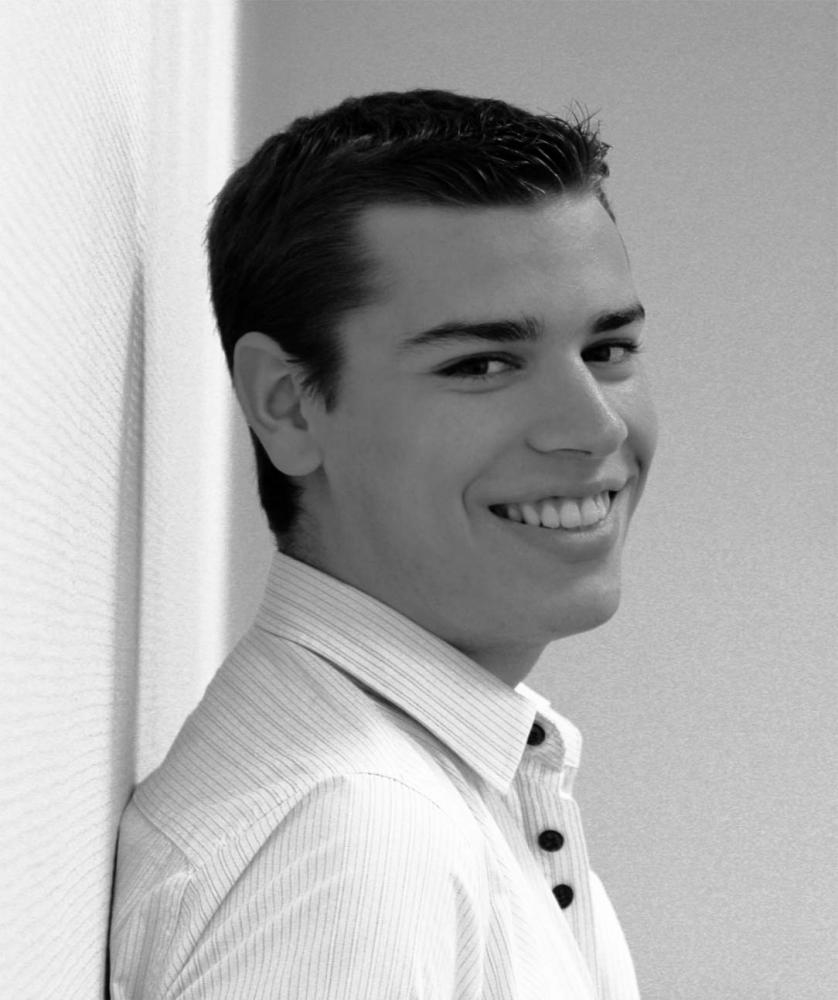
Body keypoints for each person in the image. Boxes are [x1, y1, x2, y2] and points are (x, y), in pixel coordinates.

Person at [109, 89, 656, 999]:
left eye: (607, 350)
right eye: (481, 364)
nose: (594, 427)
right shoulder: (358, 831)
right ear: (287, 405)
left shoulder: (437, 788)